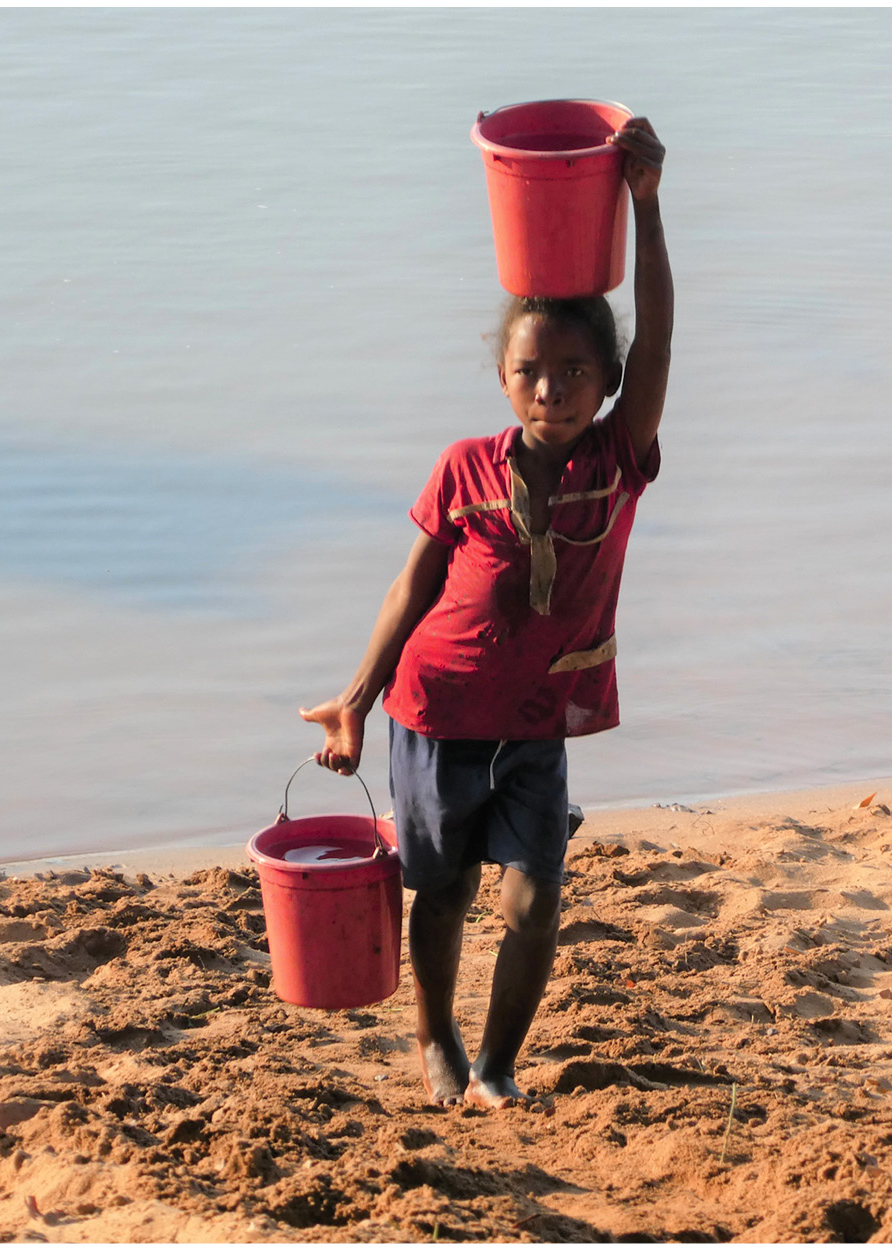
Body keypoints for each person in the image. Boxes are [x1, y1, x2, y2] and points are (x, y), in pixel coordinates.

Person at [300, 117, 672, 1110]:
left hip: (537, 723)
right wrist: (354, 698)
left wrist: (645, 203)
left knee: (535, 900)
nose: (551, 388)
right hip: (435, 709)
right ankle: (435, 1042)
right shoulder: (463, 466)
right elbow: (409, 589)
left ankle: (499, 1065)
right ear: (502, 377)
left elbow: (661, 334)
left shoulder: (615, 462)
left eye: (575, 372)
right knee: (443, 890)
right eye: (529, 372)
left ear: (608, 384)